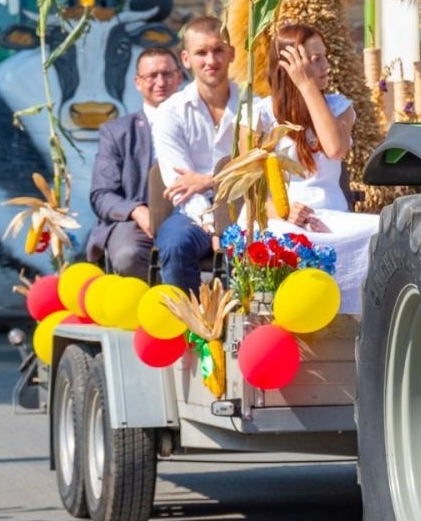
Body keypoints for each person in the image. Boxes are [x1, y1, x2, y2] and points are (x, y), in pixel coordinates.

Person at [252, 23, 379, 314]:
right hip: (281, 219)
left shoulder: (339, 107)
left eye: (324, 56)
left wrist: (308, 87)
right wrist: (280, 212)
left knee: (382, 229)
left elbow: (334, 148)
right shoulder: (258, 116)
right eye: (313, 60)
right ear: (289, 66)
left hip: (332, 217)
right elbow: (250, 189)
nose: (325, 66)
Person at [151, 17, 242, 293]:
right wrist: (215, 225)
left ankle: (247, 328)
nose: (211, 60)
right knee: (175, 245)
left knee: (262, 245)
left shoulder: (254, 107)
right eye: (202, 52)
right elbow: (181, 185)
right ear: (186, 59)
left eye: (218, 50)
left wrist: (206, 179)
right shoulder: (169, 112)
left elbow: (255, 173)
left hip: (244, 210)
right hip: (192, 214)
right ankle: (191, 331)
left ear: (232, 54)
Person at [86, 45, 185, 277]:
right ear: (138, 82)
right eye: (151, 76)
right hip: (134, 223)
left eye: (167, 74)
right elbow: (101, 194)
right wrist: (136, 211)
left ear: (179, 77)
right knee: (127, 255)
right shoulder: (116, 132)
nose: (160, 82)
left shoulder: (197, 124)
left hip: (190, 218)